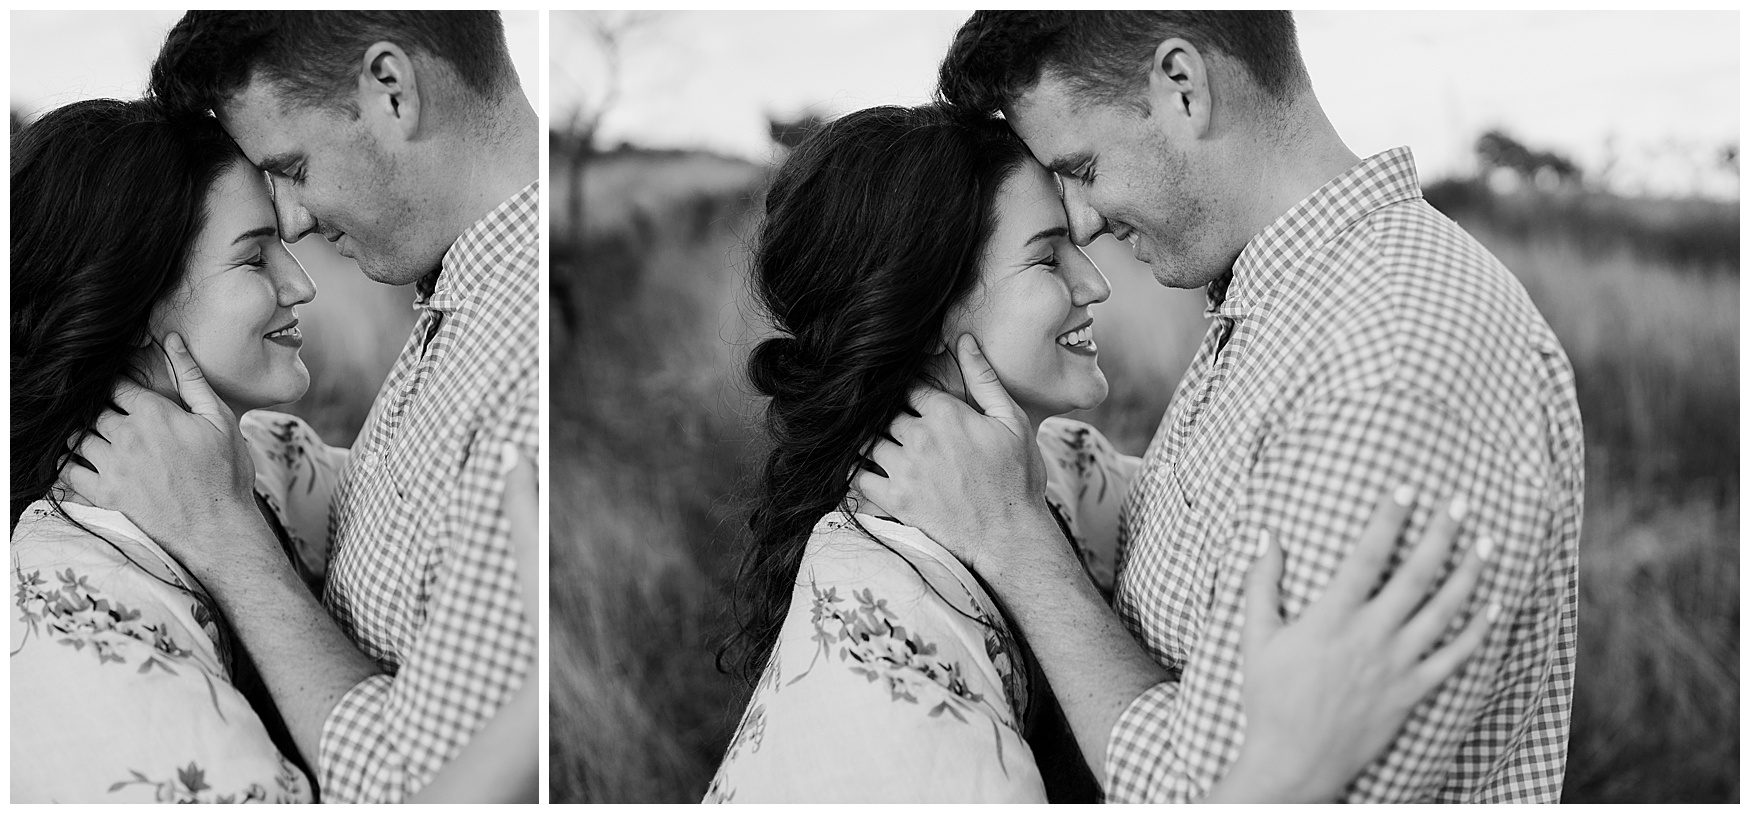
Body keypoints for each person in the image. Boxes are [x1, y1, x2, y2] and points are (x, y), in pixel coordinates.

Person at [857, 11, 1583, 803]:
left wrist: (1018, 546)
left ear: (1182, 87)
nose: (1082, 219)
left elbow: (1215, 795)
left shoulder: (1389, 366)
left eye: (1083, 167)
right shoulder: (1287, 304)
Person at [707, 104, 1496, 804]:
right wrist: (1275, 783)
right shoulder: (881, 640)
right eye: (1047, 257)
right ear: (929, 313)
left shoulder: (1057, 467)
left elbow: (1206, 512)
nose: (1096, 283)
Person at [64, 11, 539, 802]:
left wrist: (228, 541)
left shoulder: (516, 377)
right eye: (256, 246)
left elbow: (419, 793)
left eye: (291, 166)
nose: (293, 219)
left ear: (391, 90)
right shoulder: (462, 307)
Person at [11, 98, 330, 803]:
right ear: (135, 308)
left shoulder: (272, 458)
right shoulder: (68, 610)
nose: (301, 285)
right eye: (254, 255)